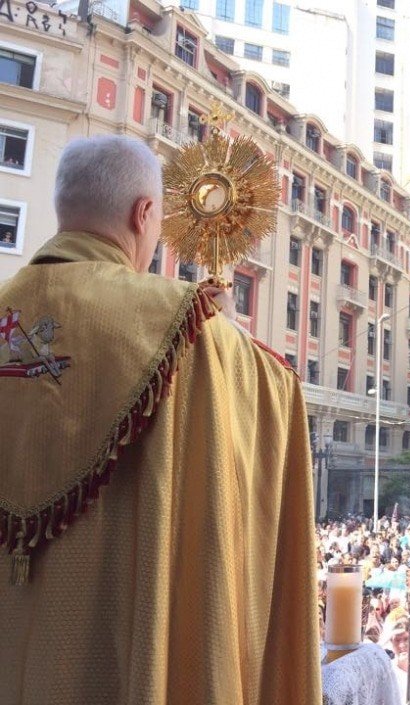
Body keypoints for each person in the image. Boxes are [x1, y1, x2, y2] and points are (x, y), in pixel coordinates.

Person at [0, 135, 320, 702]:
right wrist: (226, 337)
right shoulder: (179, 327)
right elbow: (279, 390)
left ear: (61, 206)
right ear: (144, 213)